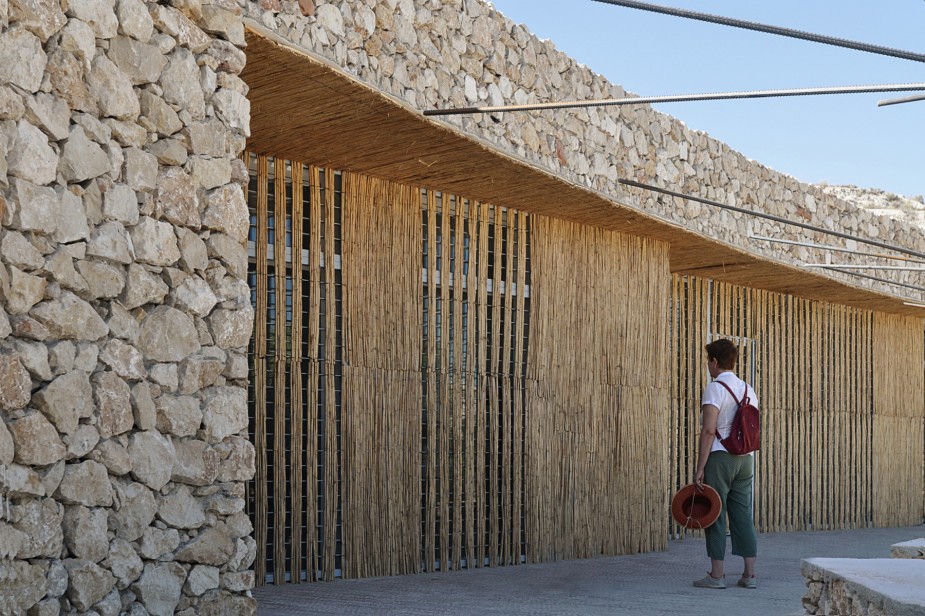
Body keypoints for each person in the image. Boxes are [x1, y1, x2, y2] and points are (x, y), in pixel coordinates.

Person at [692, 338, 758, 590]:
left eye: (708, 361)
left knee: (715, 513)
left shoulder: (715, 388)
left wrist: (700, 467)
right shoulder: (748, 389)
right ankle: (749, 575)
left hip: (720, 458)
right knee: (742, 514)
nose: (708, 366)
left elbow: (709, 430)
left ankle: (717, 575)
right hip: (746, 459)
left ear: (715, 361)